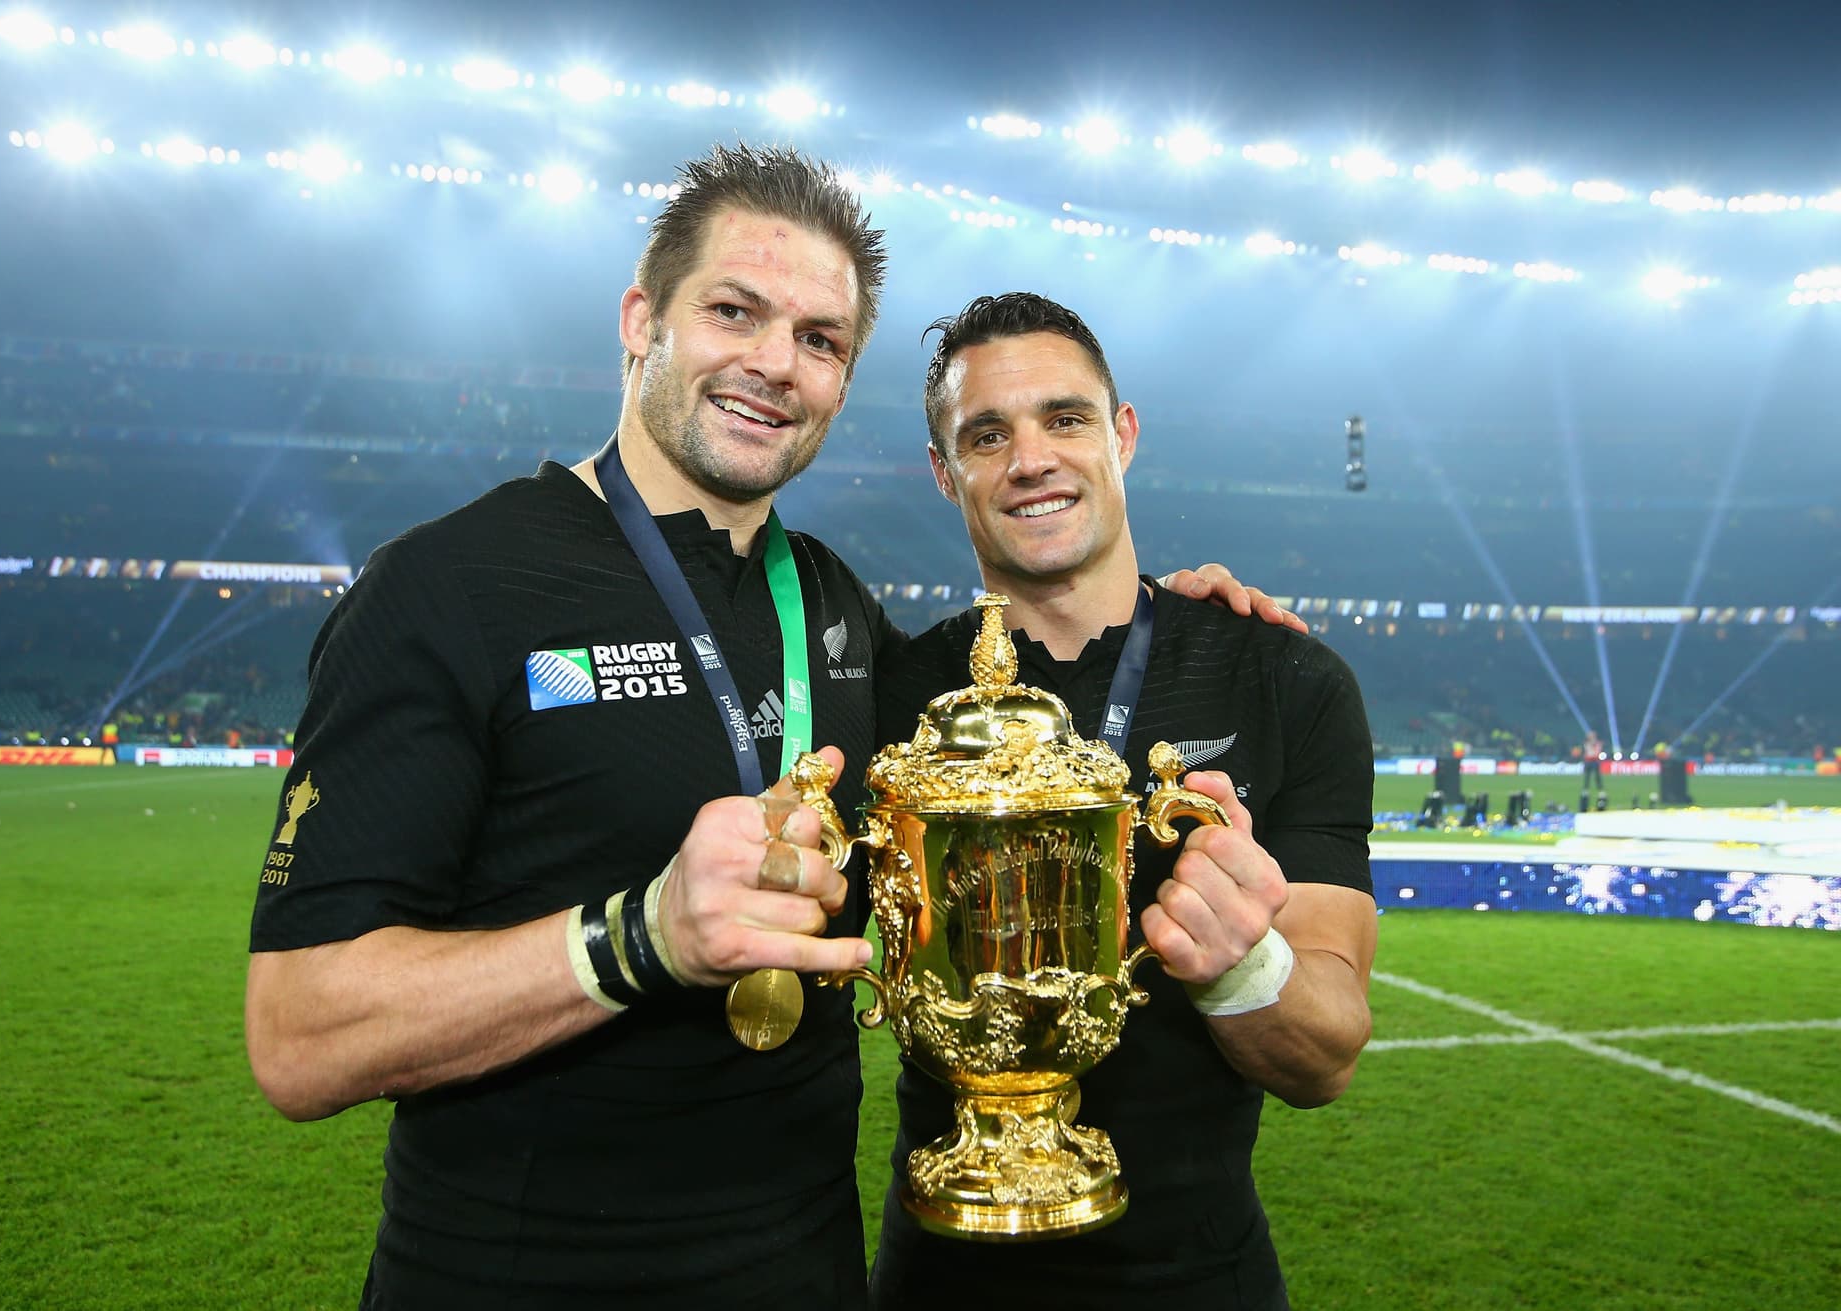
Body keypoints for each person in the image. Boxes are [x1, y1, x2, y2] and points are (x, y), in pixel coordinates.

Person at [244, 147, 1287, 1309]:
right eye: (734, 312)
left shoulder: (834, 609)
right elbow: (299, 1035)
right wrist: (638, 936)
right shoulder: (449, 586)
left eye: (820, 340)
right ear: (643, 320)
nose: (774, 364)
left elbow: (1029, 711)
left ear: (843, 381)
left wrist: (1198, 621)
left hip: (809, 1274)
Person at [869, 293, 1378, 1309]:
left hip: (1197, 1277)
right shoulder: (890, 698)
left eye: (1065, 419)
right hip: (943, 1269)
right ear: (944, 471)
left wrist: (1243, 964)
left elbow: (1324, 1055)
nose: (1032, 459)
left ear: (1123, 435)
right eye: (986, 434)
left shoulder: (1285, 679)